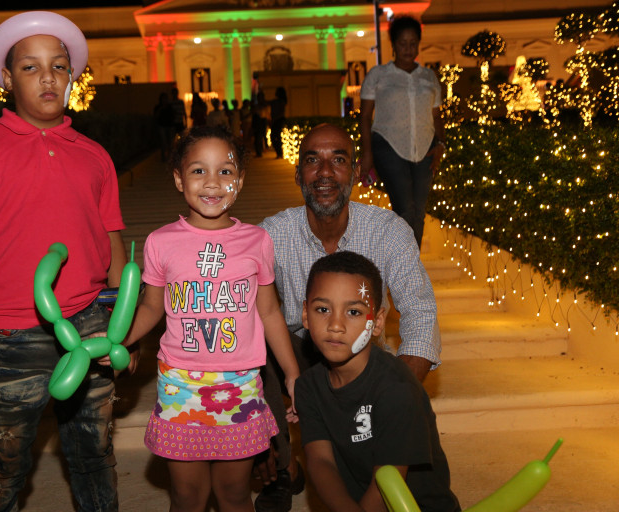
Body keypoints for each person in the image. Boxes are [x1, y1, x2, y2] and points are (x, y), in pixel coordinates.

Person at [0, 11, 128, 511]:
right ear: (6, 77)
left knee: (94, 455)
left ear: (72, 76)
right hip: (8, 334)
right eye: (30, 67)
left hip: (89, 324)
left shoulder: (94, 154)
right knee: (5, 462)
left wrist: (120, 329)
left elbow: (112, 242)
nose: (47, 77)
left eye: (59, 66)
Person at [109, 125, 301, 512]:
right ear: (179, 179)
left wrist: (293, 374)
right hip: (180, 386)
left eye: (225, 171)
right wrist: (119, 340)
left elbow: (268, 311)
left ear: (240, 181)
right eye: (198, 171)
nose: (212, 182)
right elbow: (152, 307)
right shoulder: (161, 242)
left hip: (240, 386)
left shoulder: (257, 241)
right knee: (187, 496)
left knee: (233, 494)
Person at [255, 123, 441, 512]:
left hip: (366, 358)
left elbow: (421, 314)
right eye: (313, 161)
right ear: (298, 174)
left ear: (356, 172)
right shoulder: (270, 236)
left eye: (338, 160)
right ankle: (283, 464)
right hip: (301, 354)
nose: (325, 172)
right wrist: (254, 428)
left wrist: (395, 399)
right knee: (260, 344)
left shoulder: (388, 231)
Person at [296, 251, 461, 512]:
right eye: (323, 309)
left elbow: (388, 484)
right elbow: (320, 462)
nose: (335, 325)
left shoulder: (397, 389)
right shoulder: (307, 386)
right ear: (306, 314)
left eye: (353, 312)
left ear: (377, 322)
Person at [359, 14, 446, 248]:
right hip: (388, 146)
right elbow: (365, 116)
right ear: (393, 45)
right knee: (405, 209)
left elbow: (437, 115)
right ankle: (406, 265)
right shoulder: (378, 75)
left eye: (413, 43)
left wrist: (441, 144)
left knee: (418, 212)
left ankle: (407, 263)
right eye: (403, 43)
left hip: (425, 148)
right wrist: (367, 153)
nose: (408, 49)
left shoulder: (428, 76)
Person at [154, 91, 176, 160]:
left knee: (170, 142)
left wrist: (173, 126)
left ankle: (169, 156)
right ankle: (163, 155)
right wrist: (161, 109)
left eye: (165, 98)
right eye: (163, 98)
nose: (164, 100)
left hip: (170, 126)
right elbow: (156, 116)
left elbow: (173, 116)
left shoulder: (170, 107)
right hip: (162, 126)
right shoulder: (158, 107)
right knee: (163, 142)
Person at [268, 87, 288, 159]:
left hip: (278, 120)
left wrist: (273, 120)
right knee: (275, 137)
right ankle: (279, 153)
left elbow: (279, 112)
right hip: (277, 120)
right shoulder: (278, 101)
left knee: (275, 137)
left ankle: (279, 153)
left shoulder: (280, 102)